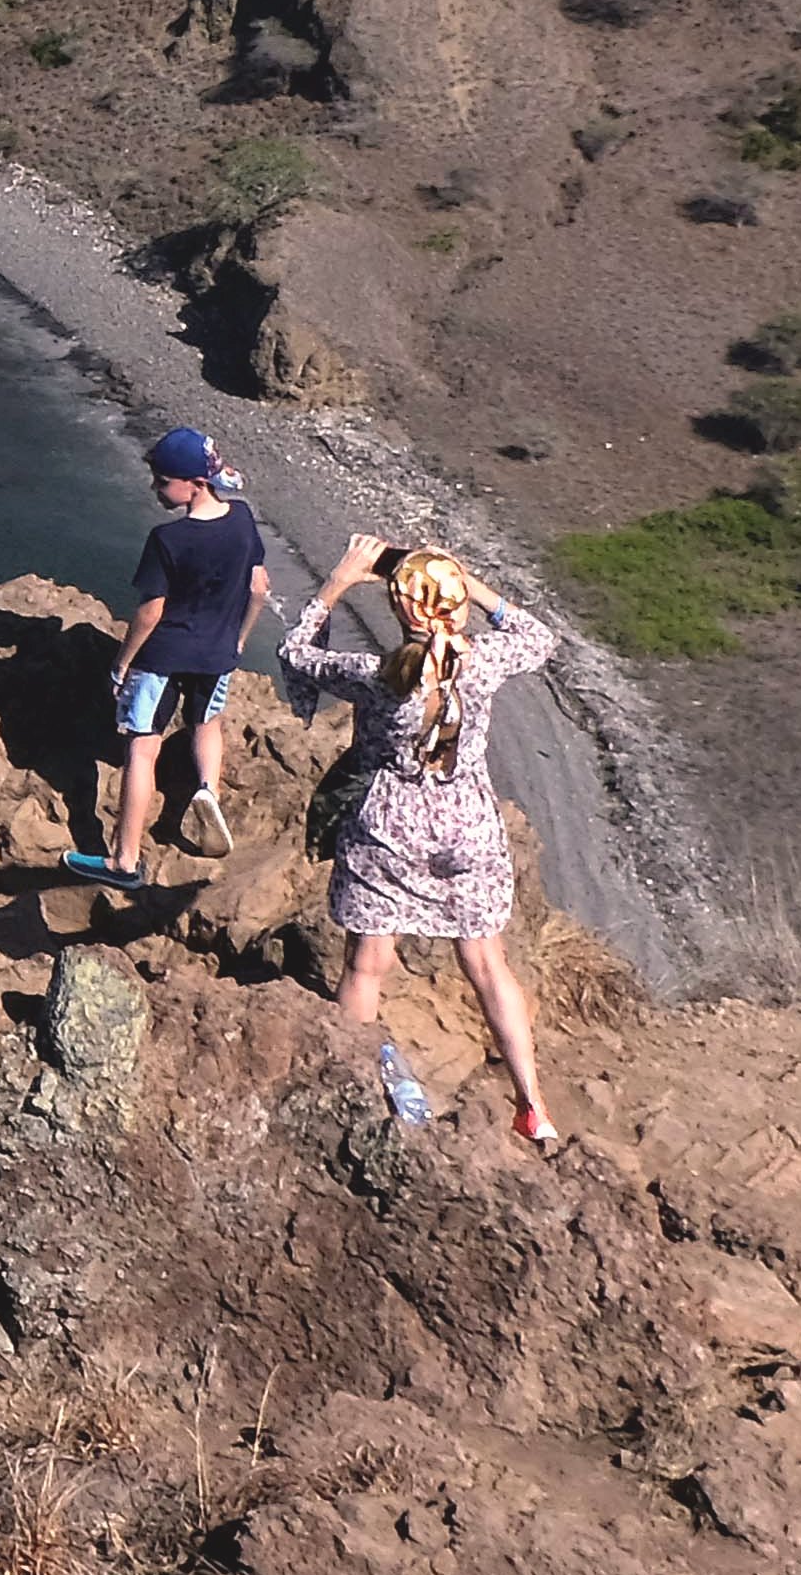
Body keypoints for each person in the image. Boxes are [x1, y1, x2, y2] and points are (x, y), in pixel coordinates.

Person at [277, 535, 567, 1153]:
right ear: (456, 606)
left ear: (400, 609)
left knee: (366, 964)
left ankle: (351, 1084)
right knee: (489, 967)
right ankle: (533, 1107)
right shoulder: (483, 663)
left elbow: (297, 654)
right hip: (468, 825)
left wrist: (338, 582)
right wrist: (472, 583)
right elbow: (539, 638)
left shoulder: (376, 675)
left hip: (389, 826)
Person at [80, 427, 272, 885]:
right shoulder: (242, 520)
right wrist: (239, 639)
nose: (155, 487)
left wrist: (121, 663)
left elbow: (150, 612)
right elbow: (259, 588)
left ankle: (124, 861)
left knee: (142, 748)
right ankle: (207, 792)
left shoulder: (169, 539)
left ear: (195, 484)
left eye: (162, 480)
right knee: (207, 724)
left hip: (163, 657)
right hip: (217, 652)